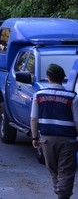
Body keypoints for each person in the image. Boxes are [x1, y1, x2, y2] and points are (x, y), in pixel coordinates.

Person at [31, 63, 78, 199]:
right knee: (66, 171)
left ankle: (60, 192)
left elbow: (34, 119)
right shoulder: (72, 97)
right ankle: (63, 194)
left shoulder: (38, 95)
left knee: (54, 170)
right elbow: (77, 122)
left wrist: (35, 138)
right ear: (62, 78)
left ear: (49, 78)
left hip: (46, 139)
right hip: (67, 141)